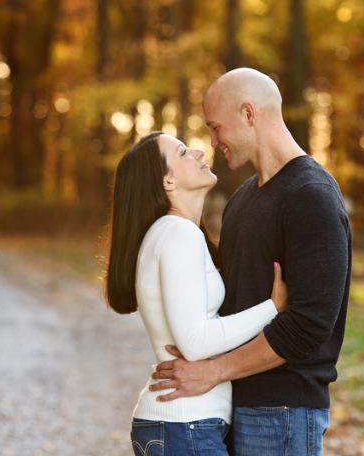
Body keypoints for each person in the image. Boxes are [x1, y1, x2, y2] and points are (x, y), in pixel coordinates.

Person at [148, 68, 352, 456]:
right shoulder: (241, 200)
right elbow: (232, 299)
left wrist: (212, 372)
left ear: (248, 113)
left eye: (215, 127)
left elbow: (309, 325)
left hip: (284, 411)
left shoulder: (311, 196)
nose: (211, 141)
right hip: (234, 402)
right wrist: (197, 352)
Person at [104, 130, 289, 456]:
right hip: (185, 426)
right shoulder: (178, 234)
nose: (200, 152)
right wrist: (273, 308)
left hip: (183, 426)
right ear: (167, 183)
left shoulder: (173, 233)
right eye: (182, 153)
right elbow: (194, 341)